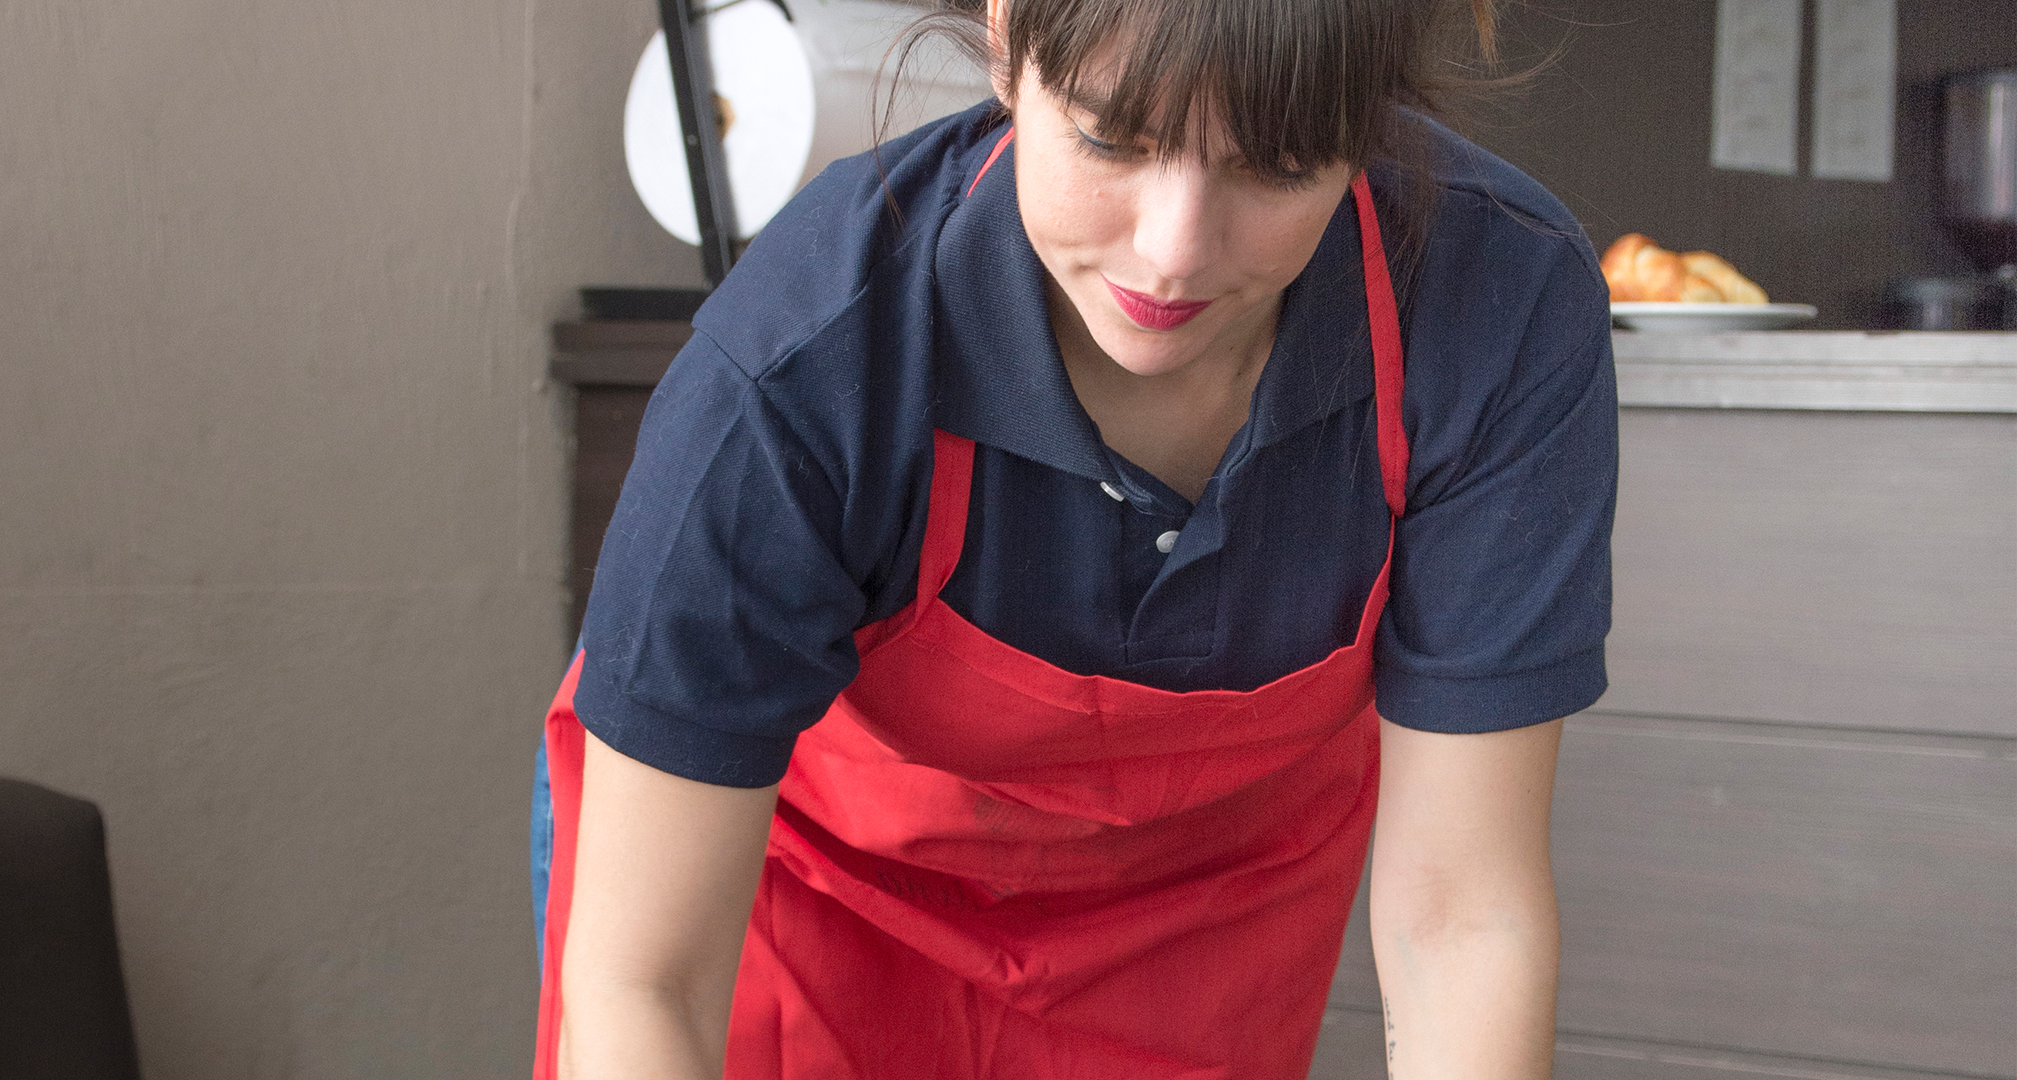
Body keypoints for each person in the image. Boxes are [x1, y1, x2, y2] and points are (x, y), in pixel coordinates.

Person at [533, 0, 1617, 1075]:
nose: (1172, 252)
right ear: (1008, 40)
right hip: (802, 911)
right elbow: (647, 983)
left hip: (1204, 948)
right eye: (1111, 137)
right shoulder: (803, 362)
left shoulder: (1497, 302)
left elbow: (1461, 927)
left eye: (1278, 165)